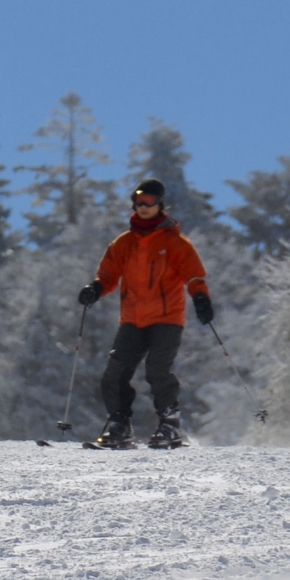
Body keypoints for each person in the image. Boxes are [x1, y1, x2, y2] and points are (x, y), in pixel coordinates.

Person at [77, 179, 213, 449]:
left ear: (160, 204)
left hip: (166, 319)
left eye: (149, 201)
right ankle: (119, 426)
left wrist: (200, 298)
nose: (144, 206)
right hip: (132, 320)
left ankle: (170, 426)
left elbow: (194, 274)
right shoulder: (123, 243)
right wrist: (95, 288)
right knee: (115, 373)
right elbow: (108, 275)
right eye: (139, 201)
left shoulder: (174, 242)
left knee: (157, 370)